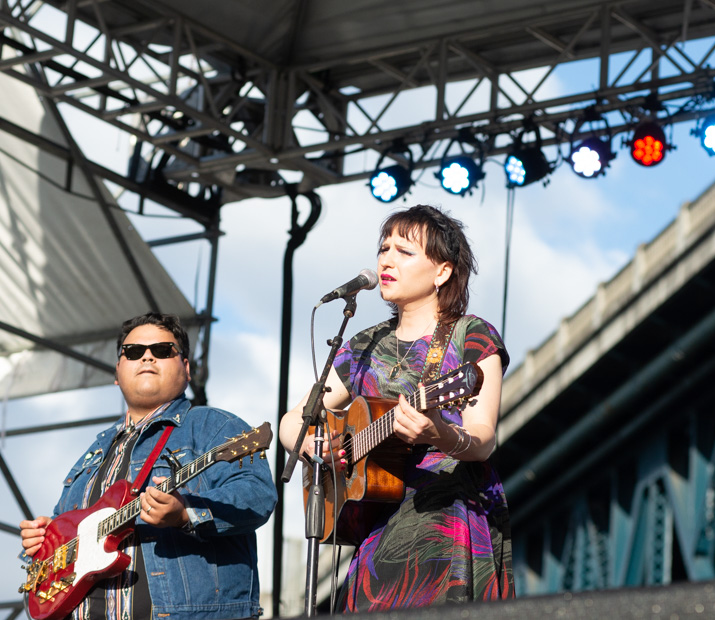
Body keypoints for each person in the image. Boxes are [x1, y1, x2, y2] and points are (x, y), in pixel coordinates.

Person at [279, 204, 515, 611]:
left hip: (446, 522)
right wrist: (315, 449)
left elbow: (482, 440)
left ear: (442, 271)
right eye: (383, 248)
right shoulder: (363, 346)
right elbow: (292, 421)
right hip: (377, 527)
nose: (386, 259)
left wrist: (438, 433)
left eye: (404, 251)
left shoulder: (470, 336)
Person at [19, 312, 277, 620]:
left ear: (186, 368)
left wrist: (185, 514)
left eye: (163, 351)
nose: (147, 357)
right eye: (133, 352)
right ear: (117, 371)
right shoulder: (95, 451)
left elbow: (257, 495)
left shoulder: (215, 427)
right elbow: (61, 534)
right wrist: (44, 540)